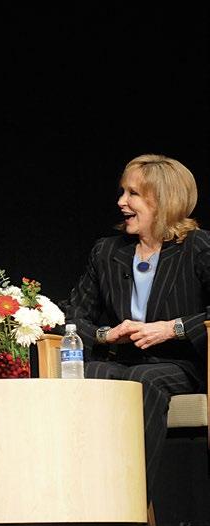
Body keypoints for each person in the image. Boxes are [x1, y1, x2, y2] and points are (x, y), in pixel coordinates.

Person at [60, 153, 210, 504]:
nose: (121, 202)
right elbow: (71, 315)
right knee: (89, 373)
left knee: (142, 380)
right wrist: (105, 334)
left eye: (133, 194)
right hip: (121, 360)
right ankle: (75, 498)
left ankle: (126, 503)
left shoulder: (197, 246)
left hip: (180, 364)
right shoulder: (106, 251)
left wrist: (172, 328)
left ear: (162, 200)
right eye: (122, 192)